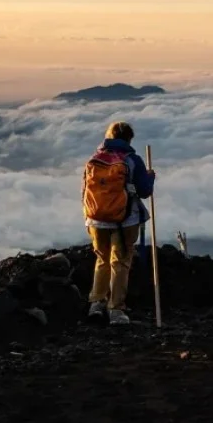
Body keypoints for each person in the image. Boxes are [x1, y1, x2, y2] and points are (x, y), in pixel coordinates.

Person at [82, 121, 155, 325]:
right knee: (120, 263)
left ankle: (96, 304)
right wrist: (150, 177)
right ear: (129, 139)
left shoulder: (94, 159)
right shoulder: (132, 160)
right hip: (126, 220)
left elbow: (85, 192)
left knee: (102, 260)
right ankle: (116, 310)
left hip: (96, 219)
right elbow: (144, 191)